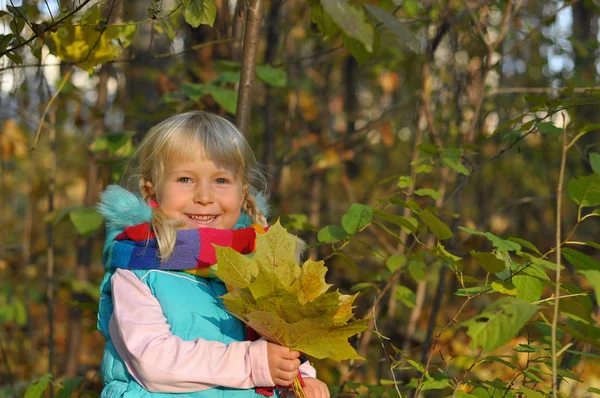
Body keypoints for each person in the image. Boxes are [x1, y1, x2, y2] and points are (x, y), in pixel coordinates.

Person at [97, 111, 330, 398]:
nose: (205, 197)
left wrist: (298, 379)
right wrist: (253, 362)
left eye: (221, 180)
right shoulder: (138, 267)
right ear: (151, 191)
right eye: (185, 179)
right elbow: (152, 360)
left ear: (243, 194)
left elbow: (281, 340)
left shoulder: (255, 265)